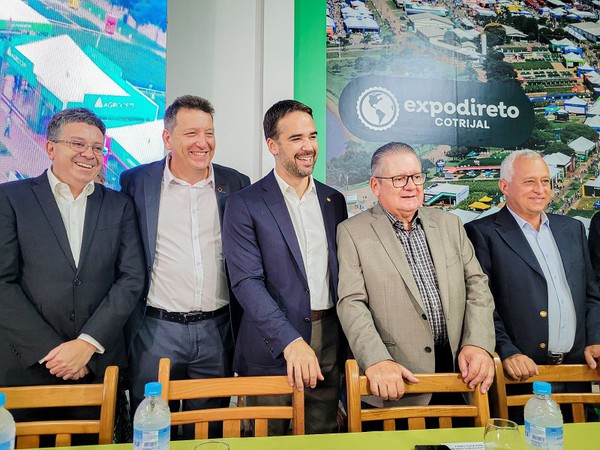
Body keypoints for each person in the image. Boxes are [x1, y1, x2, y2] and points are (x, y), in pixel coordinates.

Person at [0, 108, 145, 414]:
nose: (89, 154)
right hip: (27, 363)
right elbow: (3, 283)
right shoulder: (10, 199)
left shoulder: (119, 205)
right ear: (50, 147)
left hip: (97, 364)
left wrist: (86, 345)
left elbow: (131, 279)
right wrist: (53, 351)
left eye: (97, 148)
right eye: (78, 144)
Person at [120, 95, 250, 432]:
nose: (202, 143)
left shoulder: (236, 184)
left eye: (209, 133)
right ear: (167, 138)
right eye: (191, 133)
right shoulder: (136, 182)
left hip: (217, 331)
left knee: (206, 431)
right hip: (155, 331)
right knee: (151, 429)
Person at [222, 99, 348, 435]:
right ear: (273, 145)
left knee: (322, 436)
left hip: (329, 339)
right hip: (271, 345)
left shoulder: (334, 201)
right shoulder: (244, 203)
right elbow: (246, 282)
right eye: (296, 139)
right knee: (267, 438)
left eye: (312, 136)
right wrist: (289, 341)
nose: (308, 147)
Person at [337, 142, 495, 407]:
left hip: (459, 374)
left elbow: (477, 285)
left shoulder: (449, 224)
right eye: (399, 179)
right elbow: (351, 303)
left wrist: (477, 343)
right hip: (396, 381)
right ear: (375, 186)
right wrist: (377, 359)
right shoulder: (353, 232)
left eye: (416, 176)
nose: (411, 186)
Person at [465, 150, 600, 380]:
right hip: (520, 375)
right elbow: (480, 305)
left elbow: (591, 295)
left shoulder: (572, 229)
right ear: (504, 187)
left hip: (577, 371)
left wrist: (595, 337)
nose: (540, 189)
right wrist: (507, 351)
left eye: (545, 181)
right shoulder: (482, 234)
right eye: (529, 182)